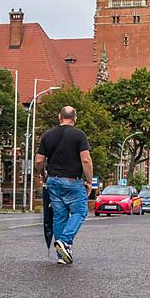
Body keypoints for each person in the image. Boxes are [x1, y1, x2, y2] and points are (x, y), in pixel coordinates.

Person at [35, 105, 93, 265]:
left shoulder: (48, 135)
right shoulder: (79, 135)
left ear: (59, 117)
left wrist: (42, 175)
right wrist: (89, 180)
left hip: (53, 181)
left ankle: (62, 256)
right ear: (75, 119)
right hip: (72, 181)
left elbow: (39, 160)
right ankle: (66, 241)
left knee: (59, 215)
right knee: (80, 211)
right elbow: (86, 160)